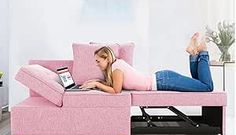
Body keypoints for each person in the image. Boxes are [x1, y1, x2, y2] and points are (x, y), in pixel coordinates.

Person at [79, 33, 214, 94]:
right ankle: (194, 54)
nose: (97, 64)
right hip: (162, 79)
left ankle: (202, 53)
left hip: (163, 81)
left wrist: (97, 84)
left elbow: (116, 91)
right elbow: (113, 85)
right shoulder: (116, 66)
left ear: (106, 58)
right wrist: (96, 82)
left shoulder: (116, 67)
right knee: (198, 84)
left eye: (98, 61)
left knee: (206, 87)